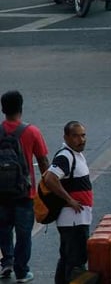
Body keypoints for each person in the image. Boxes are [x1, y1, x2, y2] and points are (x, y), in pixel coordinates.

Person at [0, 91, 48, 284]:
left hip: (1, 193)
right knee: (23, 233)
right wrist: (47, 183)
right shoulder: (31, 131)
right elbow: (43, 160)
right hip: (24, 192)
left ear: (3, 109)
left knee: (3, 229)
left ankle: (7, 263)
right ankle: (21, 271)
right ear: (21, 107)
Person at [43, 122, 92, 284]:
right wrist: (69, 199)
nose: (81, 139)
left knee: (66, 259)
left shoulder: (75, 155)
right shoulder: (66, 156)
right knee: (75, 261)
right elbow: (50, 178)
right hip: (73, 221)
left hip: (78, 219)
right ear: (66, 138)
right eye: (76, 136)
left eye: (83, 135)